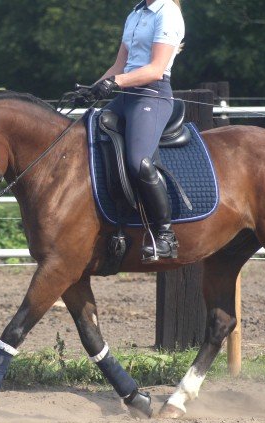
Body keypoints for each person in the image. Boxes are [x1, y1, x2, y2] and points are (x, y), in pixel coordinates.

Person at [80, 0, 185, 260]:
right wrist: (91, 90)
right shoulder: (135, 14)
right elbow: (119, 66)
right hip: (126, 96)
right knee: (82, 134)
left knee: (139, 162)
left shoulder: (168, 13)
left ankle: (165, 235)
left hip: (153, 96)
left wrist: (116, 82)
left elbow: (155, 69)